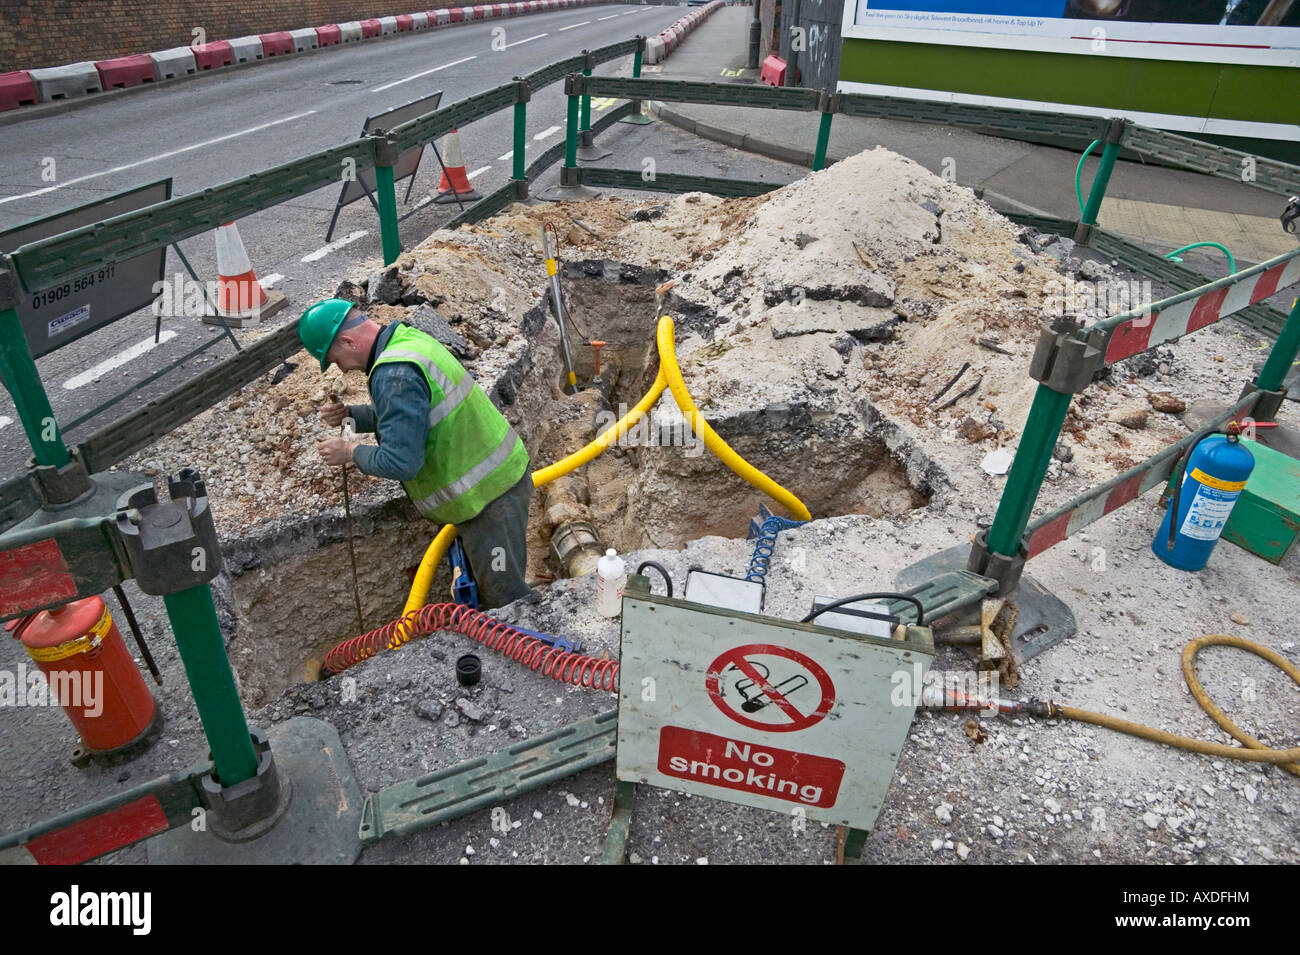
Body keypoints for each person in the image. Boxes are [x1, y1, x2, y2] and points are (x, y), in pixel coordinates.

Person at [297, 298, 533, 609]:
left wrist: (351, 451)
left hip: (490, 501)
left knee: (505, 598)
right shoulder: (405, 340)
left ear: (347, 341)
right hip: (494, 486)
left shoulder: (393, 374)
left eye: (335, 358)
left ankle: (529, 647)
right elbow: (412, 415)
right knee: (489, 584)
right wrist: (351, 416)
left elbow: (402, 462)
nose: (340, 369)